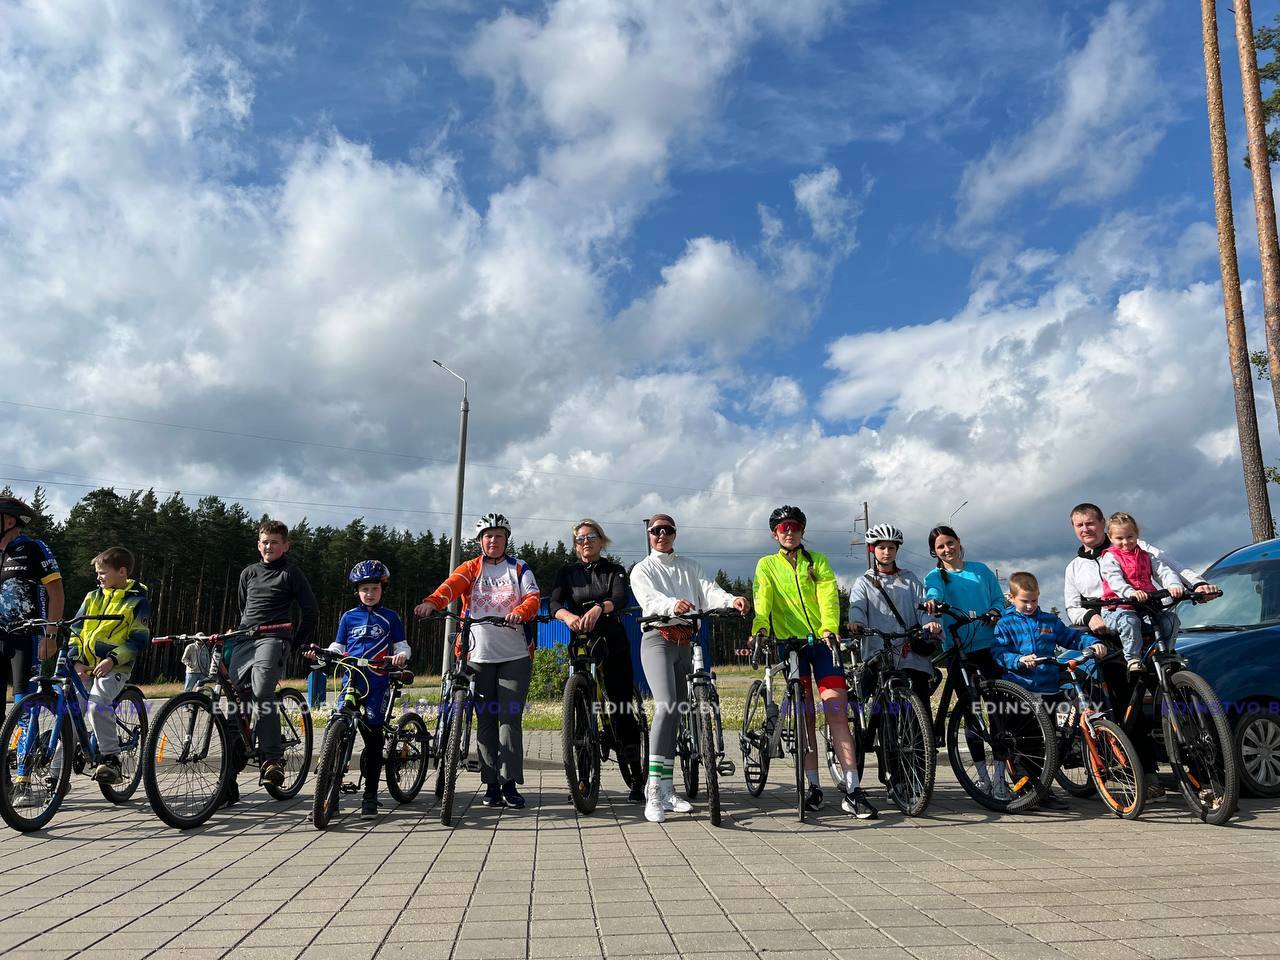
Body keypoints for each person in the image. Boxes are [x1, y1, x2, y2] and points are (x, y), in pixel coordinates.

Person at [1063, 501, 1217, 800]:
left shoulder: (1133, 545)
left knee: (1178, 700)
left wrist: (1199, 584)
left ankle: (1206, 775)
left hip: (1147, 631)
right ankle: (1146, 776)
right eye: (1079, 525)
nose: (1086, 529)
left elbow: (1172, 566)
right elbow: (1072, 607)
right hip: (1110, 638)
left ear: (1102, 523)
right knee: (1127, 709)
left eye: (1090, 523)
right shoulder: (1074, 567)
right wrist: (1090, 617)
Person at [751, 505, 875, 819]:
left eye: (794, 527)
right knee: (805, 718)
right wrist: (760, 628)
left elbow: (828, 596)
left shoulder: (817, 561)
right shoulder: (767, 565)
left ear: (802, 531)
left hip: (822, 644)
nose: (789, 532)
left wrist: (829, 628)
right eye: (783, 528)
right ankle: (814, 787)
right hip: (790, 646)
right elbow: (763, 599)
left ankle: (853, 790)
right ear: (774, 534)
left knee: (836, 711)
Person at [630, 513, 749, 824]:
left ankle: (668, 788)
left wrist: (732, 600)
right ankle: (653, 789)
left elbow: (710, 590)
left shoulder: (690, 566)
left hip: (686, 640)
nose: (661, 535)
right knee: (666, 706)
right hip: (658, 638)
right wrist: (672, 605)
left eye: (667, 530)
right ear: (649, 534)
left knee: (679, 711)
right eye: (656, 531)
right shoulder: (642, 569)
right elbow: (650, 599)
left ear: (675, 534)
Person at [415, 513, 539, 809]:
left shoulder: (519, 568)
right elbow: (450, 587)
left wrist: (520, 612)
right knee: (486, 719)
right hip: (477, 655)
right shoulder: (471, 568)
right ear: (480, 541)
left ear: (506, 540)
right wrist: (432, 602)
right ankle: (491, 784)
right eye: (488, 536)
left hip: (514, 655)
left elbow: (533, 597)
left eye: (498, 536)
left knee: (509, 718)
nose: (493, 540)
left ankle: (509, 783)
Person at [305, 560, 409, 818]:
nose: (369, 593)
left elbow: (402, 645)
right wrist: (323, 653)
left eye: (374, 588)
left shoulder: (391, 617)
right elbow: (338, 646)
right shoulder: (348, 616)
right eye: (364, 589)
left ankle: (370, 797)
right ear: (357, 591)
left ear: (382, 589)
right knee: (336, 727)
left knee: (373, 735)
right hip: (351, 679)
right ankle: (328, 796)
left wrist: (401, 657)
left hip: (378, 681)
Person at [550, 519, 644, 803]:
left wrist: (600, 608)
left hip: (612, 642)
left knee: (621, 707)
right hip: (581, 641)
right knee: (580, 715)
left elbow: (621, 597)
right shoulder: (566, 573)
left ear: (602, 541)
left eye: (591, 537)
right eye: (580, 539)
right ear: (575, 545)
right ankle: (582, 780)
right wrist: (568, 616)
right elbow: (554, 603)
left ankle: (637, 778)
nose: (585, 542)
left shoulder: (614, 570)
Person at [991, 571, 1103, 808]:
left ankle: (1042, 785)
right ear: (1011, 598)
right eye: (1024, 601)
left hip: (1049, 688)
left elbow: (1071, 637)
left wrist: (1093, 643)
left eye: (1034, 600)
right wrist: (1019, 660)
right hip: (1021, 691)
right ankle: (1031, 791)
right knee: (1027, 744)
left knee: (1049, 740)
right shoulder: (1005, 623)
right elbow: (999, 653)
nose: (1030, 605)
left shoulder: (1048, 621)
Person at [232, 519, 319, 799]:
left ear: (285, 546)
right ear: (258, 545)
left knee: (261, 692)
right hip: (245, 637)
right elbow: (243, 608)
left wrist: (295, 642)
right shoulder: (248, 573)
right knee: (234, 698)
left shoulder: (291, 573)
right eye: (264, 542)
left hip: (274, 638)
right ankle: (228, 778)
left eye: (274, 542)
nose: (268, 546)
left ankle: (272, 760)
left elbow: (311, 611)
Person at [921, 524, 1006, 796]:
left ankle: (1001, 779)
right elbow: (933, 592)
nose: (947, 549)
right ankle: (982, 778)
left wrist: (995, 611)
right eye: (940, 547)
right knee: (971, 712)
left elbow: (998, 599)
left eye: (950, 543)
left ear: (959, 542)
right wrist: (932, 602)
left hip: (988, 647)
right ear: (934, 552)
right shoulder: (936, 576)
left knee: (997, 711)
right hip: (959, 650)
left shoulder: (980, 570)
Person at [67, 547, 151, 785]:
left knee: (97, 705)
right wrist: (76, 660)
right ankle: (56, 776)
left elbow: (138, 640)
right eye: (97, 573)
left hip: (115, 667)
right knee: (70, 712)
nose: (98, 577)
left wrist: (112, 659)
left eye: (103, 573)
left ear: (122, 572)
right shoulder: (92, 597)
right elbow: (76, 630)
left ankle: (111, 758)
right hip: (85, 667)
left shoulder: (137, 601)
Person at [847, 523, 940, 707]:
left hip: (911, 654)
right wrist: (856, 623)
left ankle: (922, 727)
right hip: (879, 653)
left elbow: (922, 606)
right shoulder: (863, 582)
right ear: (872, 549)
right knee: (882, 709)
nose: (887, 552)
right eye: (882, 547)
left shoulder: (909, 578)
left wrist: (929, 623)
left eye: (891, 548)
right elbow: (857, 607)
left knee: (920, 705)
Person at [1098, 512, 1189, 674]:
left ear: (1137, 535)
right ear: (1110, 538)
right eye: (1119, 538)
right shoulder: (1110, 558)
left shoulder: (1146, 556)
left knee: (1170, 619)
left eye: (1130, 536)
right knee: (1130, 621)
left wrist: (1174, 585)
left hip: (1145, 607)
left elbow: (1164, 572)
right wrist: (1131, 592)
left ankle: (1166, 652)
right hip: (1117, 609)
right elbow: (1115, 580)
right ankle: (1133, 658)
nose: (1125, 542)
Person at [0, 497, 64, 716]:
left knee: (24, 709)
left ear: (9, 521)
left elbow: (56, 594)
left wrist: (51, 635)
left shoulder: (34, 548)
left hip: (27, 637)